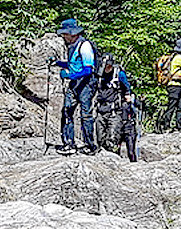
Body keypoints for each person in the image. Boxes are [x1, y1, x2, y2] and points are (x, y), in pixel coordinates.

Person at [53, 19, 97, 156]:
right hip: (75, 84)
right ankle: (68, 144)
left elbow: (88, 69)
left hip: (86, 85)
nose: (63, 37)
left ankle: (90, 145)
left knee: (85, 115)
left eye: (65, 34)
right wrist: (58, 63)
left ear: (72, 34)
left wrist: (70, 76)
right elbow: (73, 64)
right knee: (67, 111)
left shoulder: (85, 46)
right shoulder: (72, 45)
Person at [93, 54, 138, 162]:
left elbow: (127, 89)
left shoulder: (119, 74)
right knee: (100, 139)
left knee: (113, 138)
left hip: (114, 111)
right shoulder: (98, 75)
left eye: (108, 66)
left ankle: (114, 161)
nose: (106, 68)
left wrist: (128, 98)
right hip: (100, 111)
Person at [158, 38, 181, 131]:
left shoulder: (174, 56)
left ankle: (178, 125)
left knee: (180, 105)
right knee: (173, 106)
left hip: (177, 86)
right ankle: (167, 126)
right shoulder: (179, 58)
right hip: (175, 86)